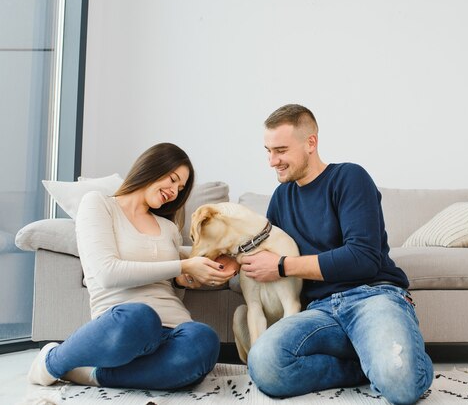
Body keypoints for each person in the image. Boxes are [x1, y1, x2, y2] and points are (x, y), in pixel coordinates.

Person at [240, 105, 434, 404]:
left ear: (311, 143)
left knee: (401, 386)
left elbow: (362, 258)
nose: (272, 161)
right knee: (265, 364)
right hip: (319, 311)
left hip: (372, 297)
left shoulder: (349, 177)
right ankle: (366, 365)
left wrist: (282, 266)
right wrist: (229, 263)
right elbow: (265, 252)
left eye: (280, 150)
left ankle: (397, 365)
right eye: (267, 151)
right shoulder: (281, 197)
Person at [28, 142, 238, 390]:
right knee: (141, 317)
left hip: (174, 331)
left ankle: (91, 375)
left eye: (180, 188)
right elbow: (107, 273)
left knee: (204, 339)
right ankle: (52, 361)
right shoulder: (99, 204)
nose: (174, 191)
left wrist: (185, 277)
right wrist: (182, 267)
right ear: (152, 167)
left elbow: (172, 287)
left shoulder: (169, 227)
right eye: (172, 180)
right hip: (126, 326)